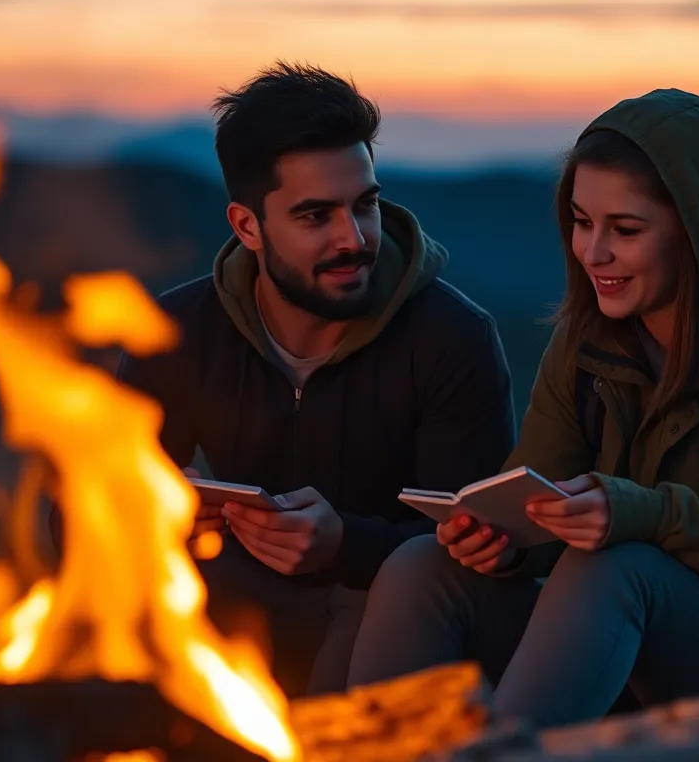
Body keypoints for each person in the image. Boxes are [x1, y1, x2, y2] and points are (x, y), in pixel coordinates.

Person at [347, 88, 699, 761]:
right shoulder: (588, 345)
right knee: (422, 565)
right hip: (620, 648)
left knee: (615, 567)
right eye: (581, 222)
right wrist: (506, 543)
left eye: (625, 230)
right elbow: (539, 506)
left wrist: (644, 515)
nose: (592, 252)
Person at [63, 62, 517, 698]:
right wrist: (159, 517)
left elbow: (475, 552)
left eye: (365, 205)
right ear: (247, 226)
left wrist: (344, 545)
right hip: (225, 602)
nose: (353, 238)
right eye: (315, 217)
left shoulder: (451, 337)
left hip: (383, 608)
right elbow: (82, 501)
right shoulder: (175, 331)